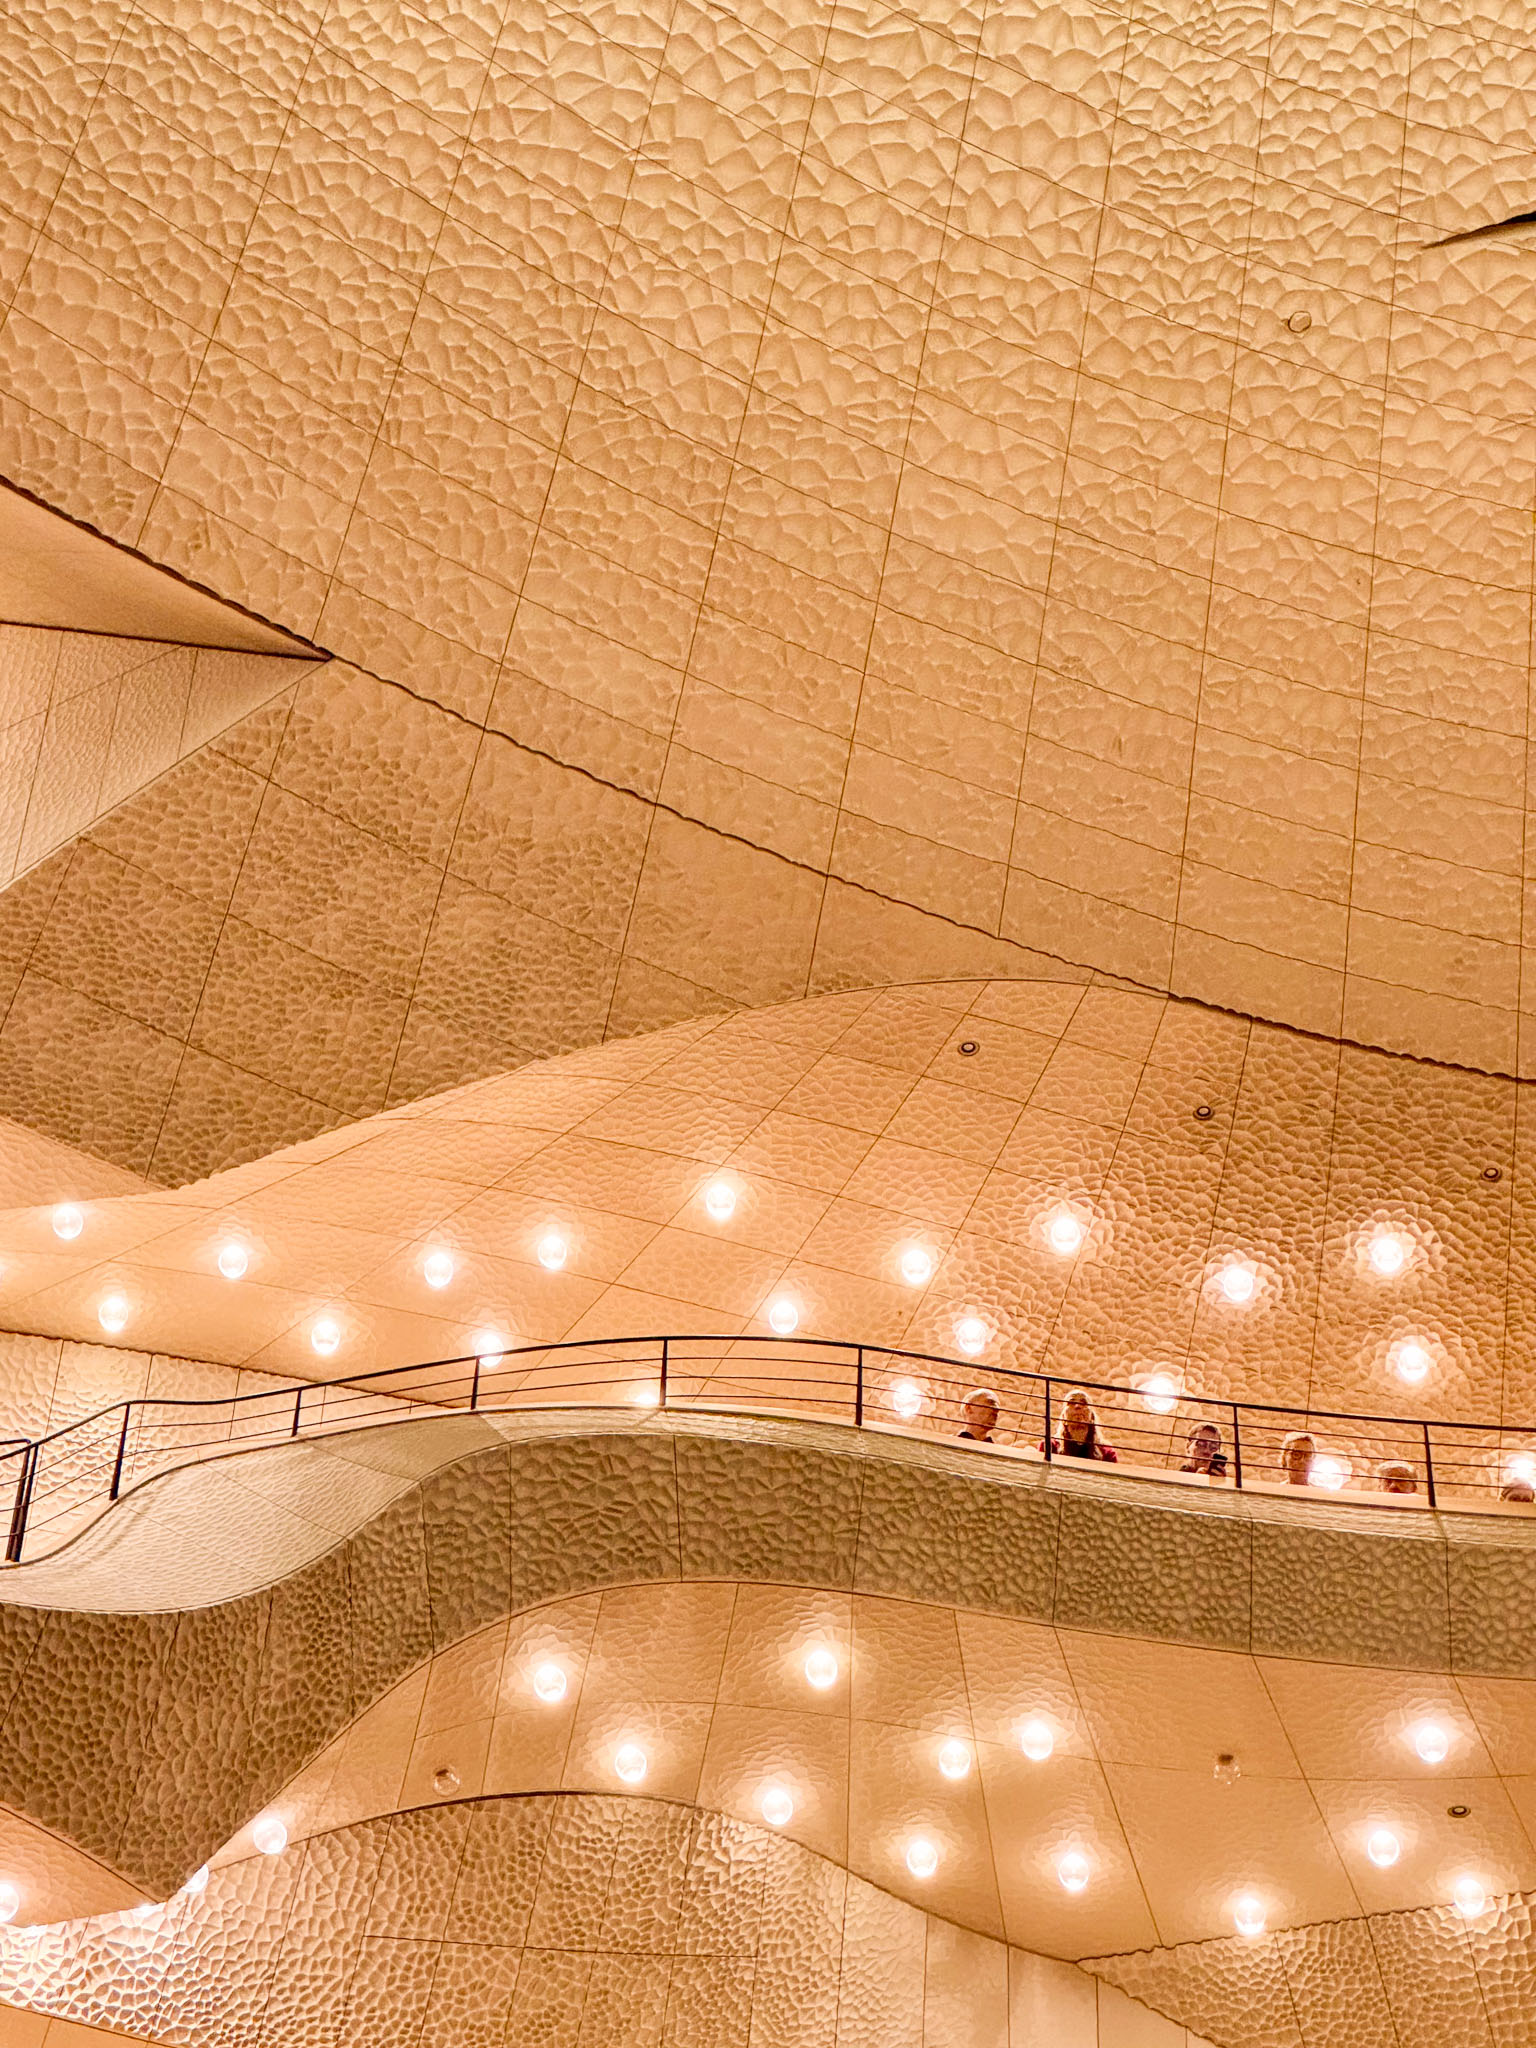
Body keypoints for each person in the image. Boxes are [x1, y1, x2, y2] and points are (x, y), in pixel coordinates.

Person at [1042, 1388, 1118, 1461]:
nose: (1078, 1406)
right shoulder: (1048, 1446)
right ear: (1063, 1416)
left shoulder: (1107, 1452)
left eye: (1084, 1403)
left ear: (1092, 1417)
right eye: (1071, 1402)